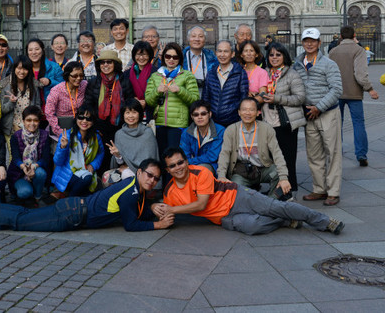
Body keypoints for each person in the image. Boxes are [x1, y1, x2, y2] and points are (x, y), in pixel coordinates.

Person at [156, 148, 344, 236]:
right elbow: (165, 213)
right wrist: (154, 206)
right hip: (223, 218)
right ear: (168, 171)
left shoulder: (201, 172)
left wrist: (172, 210)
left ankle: (325, 222)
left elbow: (201, 204)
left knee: (273, 207)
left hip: (237, 196)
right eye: (173, 166)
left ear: (186, 162)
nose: (179, 167)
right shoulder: (170, 192)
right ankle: (286, 218)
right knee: (253, 227)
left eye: (181, 162)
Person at [0, 159, 174, 232]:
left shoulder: (134, 188)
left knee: (25, 215)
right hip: (71, 215)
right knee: (21, 221)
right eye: (149, 175)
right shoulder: (131, 192)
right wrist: (159, 224)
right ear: (139, 173)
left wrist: (151, 206)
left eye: (156, 178)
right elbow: (131, 224)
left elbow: (138, 211)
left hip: (73, 208)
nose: (152, 180)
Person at [293, 28, 343, 206]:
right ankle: (319, 189)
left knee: (333, 152)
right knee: (314, 155)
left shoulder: (329, 64)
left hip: (328, 113)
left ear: (319, 43)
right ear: (302, 42)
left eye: (313, 41)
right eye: (306, 40)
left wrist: (319, 107)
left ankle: (333, 191)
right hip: (308, 116)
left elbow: (337, 89)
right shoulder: (297, 64)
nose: (309, 43)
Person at [216, 98, 291, 199]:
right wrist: (221, 176)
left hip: (263, 168)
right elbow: (224, 154)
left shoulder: (266, 129)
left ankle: (270, 203)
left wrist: (284, 178)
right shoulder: (231, 130)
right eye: (244, 109)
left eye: (251, 110)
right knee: (234, 190)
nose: (247, 113)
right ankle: (252, 202)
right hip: (241, 172)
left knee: (279, 174)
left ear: (258, 113)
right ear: (239, 112)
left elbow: (277, 153)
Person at [329, 26, 379, 167]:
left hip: (336, 92)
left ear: (340, 36)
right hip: (354, 93)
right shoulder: (359, 50)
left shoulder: (333, 51)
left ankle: (337, 151)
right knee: (358, 123)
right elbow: (360, 74)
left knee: (337, 123)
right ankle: (361, 154)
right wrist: (370, 89)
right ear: (354, 35)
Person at [261, 42, 307, 198]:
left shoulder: (291, 74)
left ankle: (289, 188)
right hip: (267, 120)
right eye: (271, 55)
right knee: (270, 157)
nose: (274, 58)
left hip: (285, 121)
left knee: (287, 156)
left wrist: (277, 98)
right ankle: (275, 185)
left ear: (284, 56)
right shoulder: (264, 73)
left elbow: (300, 98)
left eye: (278, 54)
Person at [85, 50, 134, 174]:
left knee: (118, 157)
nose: (105, 65)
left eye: (109, 62)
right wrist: (95, 126)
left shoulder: (124, 81)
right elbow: (89, 105)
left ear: (115, 64)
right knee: (102, 157)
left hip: (119, 127)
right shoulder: (93, 82)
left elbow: (129, 104)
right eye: (102, 63)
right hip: (99, 128)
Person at [145, 42, 199, 152]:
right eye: (168, 56)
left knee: (175, 157)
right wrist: (157, 91)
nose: (171, 59)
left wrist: (180, 90)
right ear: (163, 57)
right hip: (159, 123)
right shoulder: (155, 76)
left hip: (178, 124)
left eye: (175, 57)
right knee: (161, 156)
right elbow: (149, 101)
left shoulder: (187, 75)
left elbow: (195, 100)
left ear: (180, 58)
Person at [52, 106, 103, 198]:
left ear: (93, 121)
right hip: (67, 175)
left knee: (90, 189)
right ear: (76, 118)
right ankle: (70, 200)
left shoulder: (96, 137)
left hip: (86, 170)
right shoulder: (67, 135)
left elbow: (100, 154)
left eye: (88, 118)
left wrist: (92, 165)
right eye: (81, 117)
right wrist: (62, 147)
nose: (84, 121)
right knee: (87, 179)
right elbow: (57, 161)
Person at [8, 106, 51, 205]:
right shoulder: (16, 136)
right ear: (23, 121)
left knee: (40, 173)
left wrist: (33, 166)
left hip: (36, 169)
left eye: (35, 120)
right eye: (29, 120)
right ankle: (27, 189)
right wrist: (24, 168)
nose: (32, 123)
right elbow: (15, 158)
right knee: (25, 192)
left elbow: (45, 158)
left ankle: (37, 196)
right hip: (19, 173)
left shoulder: (44, 135)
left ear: (39, 121)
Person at [106, 99, 159, 179]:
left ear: (140, 114)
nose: (130, 116)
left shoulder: (147, 133)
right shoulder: (119, 134)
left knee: (126, 173)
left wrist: (130, 168)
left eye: (134, 112)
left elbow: (152, 161)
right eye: (127, 112)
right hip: (126, 171)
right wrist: (117, 155)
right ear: (123, 115)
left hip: (145, 173)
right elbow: (120, 162)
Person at [202, 40, 249, 128]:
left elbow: (243, 98)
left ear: (232, 54)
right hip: (213, 123)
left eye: (226, 51)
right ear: (216, 53)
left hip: (233, 122)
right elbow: (206, 97)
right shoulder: (211, 73)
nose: (222, 55)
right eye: (219, 51)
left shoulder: (240, 72)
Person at [0, 56, 41, 137]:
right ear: (14, 68)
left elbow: (38, 106)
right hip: (12, 129)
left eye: (25, 69)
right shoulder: (6, 86)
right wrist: (11, 102)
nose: (22, 72)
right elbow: (2, 110)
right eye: (19, 68)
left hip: (30, 129)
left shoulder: (33, 86)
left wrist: (31, 124)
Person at [179, 99, 224, 175]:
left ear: (210, 114)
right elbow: (184, 155)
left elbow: (212, 157)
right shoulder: (186, 132)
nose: (199, 117)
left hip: (212, 166)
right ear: (192, 117)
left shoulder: (220, 131)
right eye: (196, 115)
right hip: (190, 165)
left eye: (203, 114)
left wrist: (190, 161)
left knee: (202, 170)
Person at [45, 61, 87, 139]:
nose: (78, 78)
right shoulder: (57, 90)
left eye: (81, 75)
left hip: (80, 127)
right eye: (74, 76)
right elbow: (49, 112)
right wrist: (59, 131)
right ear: (67, 75)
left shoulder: (84, 85)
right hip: (60, 128)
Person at [182, 26, 218, 96]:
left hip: (207, 96)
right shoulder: (180, 59)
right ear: (188, 39)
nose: (197, 39)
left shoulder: (212, 59)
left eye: (201, 36)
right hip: (186, 96)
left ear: (205, 39)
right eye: (193, 36)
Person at [26, 38, 63, 104]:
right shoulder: (24, 69)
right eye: (30, 50)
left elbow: (64, 87)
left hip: (50, 107)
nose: (34, 52)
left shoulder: (54, 67)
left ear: (42, 51)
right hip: (30, 109)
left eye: (37, 49)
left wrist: (50, 82)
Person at [127, 40, 155, 123]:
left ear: (149, 55)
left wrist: (146, 101)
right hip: (131, 112)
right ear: (134, 56)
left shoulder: (157, 72)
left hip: (151, 111)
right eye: (138, 54)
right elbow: (124, 92)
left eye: (145, 55)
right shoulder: (127, 73)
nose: (141, 58)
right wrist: (134, 100)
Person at [236, 40, 269, 105]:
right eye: (245, 51)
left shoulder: (262, 72)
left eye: (251, 51)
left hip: (256, 110)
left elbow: (263, 95)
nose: (249, 54)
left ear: (256, 54)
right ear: (241, 55)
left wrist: (249, 99)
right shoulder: (237, 71)